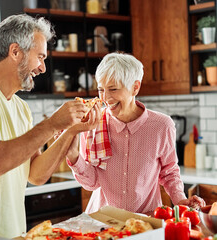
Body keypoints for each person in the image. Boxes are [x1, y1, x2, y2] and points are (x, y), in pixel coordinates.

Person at [0, 14, 101, 239]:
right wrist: (52, 124)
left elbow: (36, 174)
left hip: (10, 233)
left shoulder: (21, 109)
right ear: (15, 52)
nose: (42, 68)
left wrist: (71, 130)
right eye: (40, 57)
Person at [66, 53, 206, 214]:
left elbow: (169, 172)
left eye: (113, 89)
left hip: (145, 219)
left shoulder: (161, 125)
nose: (105, 98)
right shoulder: (93, 123)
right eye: (100, 89)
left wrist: (180, 200)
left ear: (135, 87)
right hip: (102, 221)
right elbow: (92, 183)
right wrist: (74, 157)